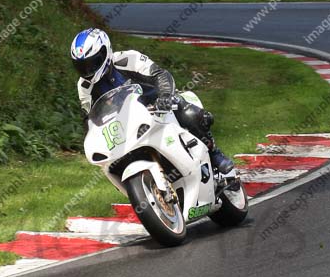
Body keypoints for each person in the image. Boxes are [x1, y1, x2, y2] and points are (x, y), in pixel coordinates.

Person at [70, 27, 235, 174]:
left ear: (105, 52)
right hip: (124, 125)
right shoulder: (84, 86)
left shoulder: (128, 59)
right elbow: (89, 119)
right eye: (82, 66)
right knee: (111, 165)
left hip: (157, 107)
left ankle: (214, 153)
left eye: (92, 63)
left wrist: (165, 96)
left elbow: (160, 75)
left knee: (188, 112)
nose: (87, 70)